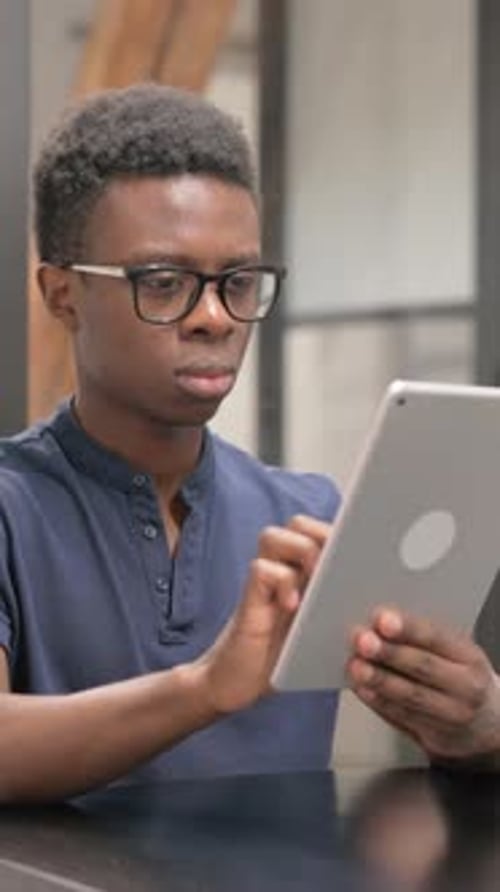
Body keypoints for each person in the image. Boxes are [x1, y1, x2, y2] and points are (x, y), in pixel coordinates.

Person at [0, 84, 498, 804]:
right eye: (164, 282)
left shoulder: (309, 515)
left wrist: (478, 726)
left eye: (238, 281)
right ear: (61, 294)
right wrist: (204, 688)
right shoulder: (13, 508)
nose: (214, 316)